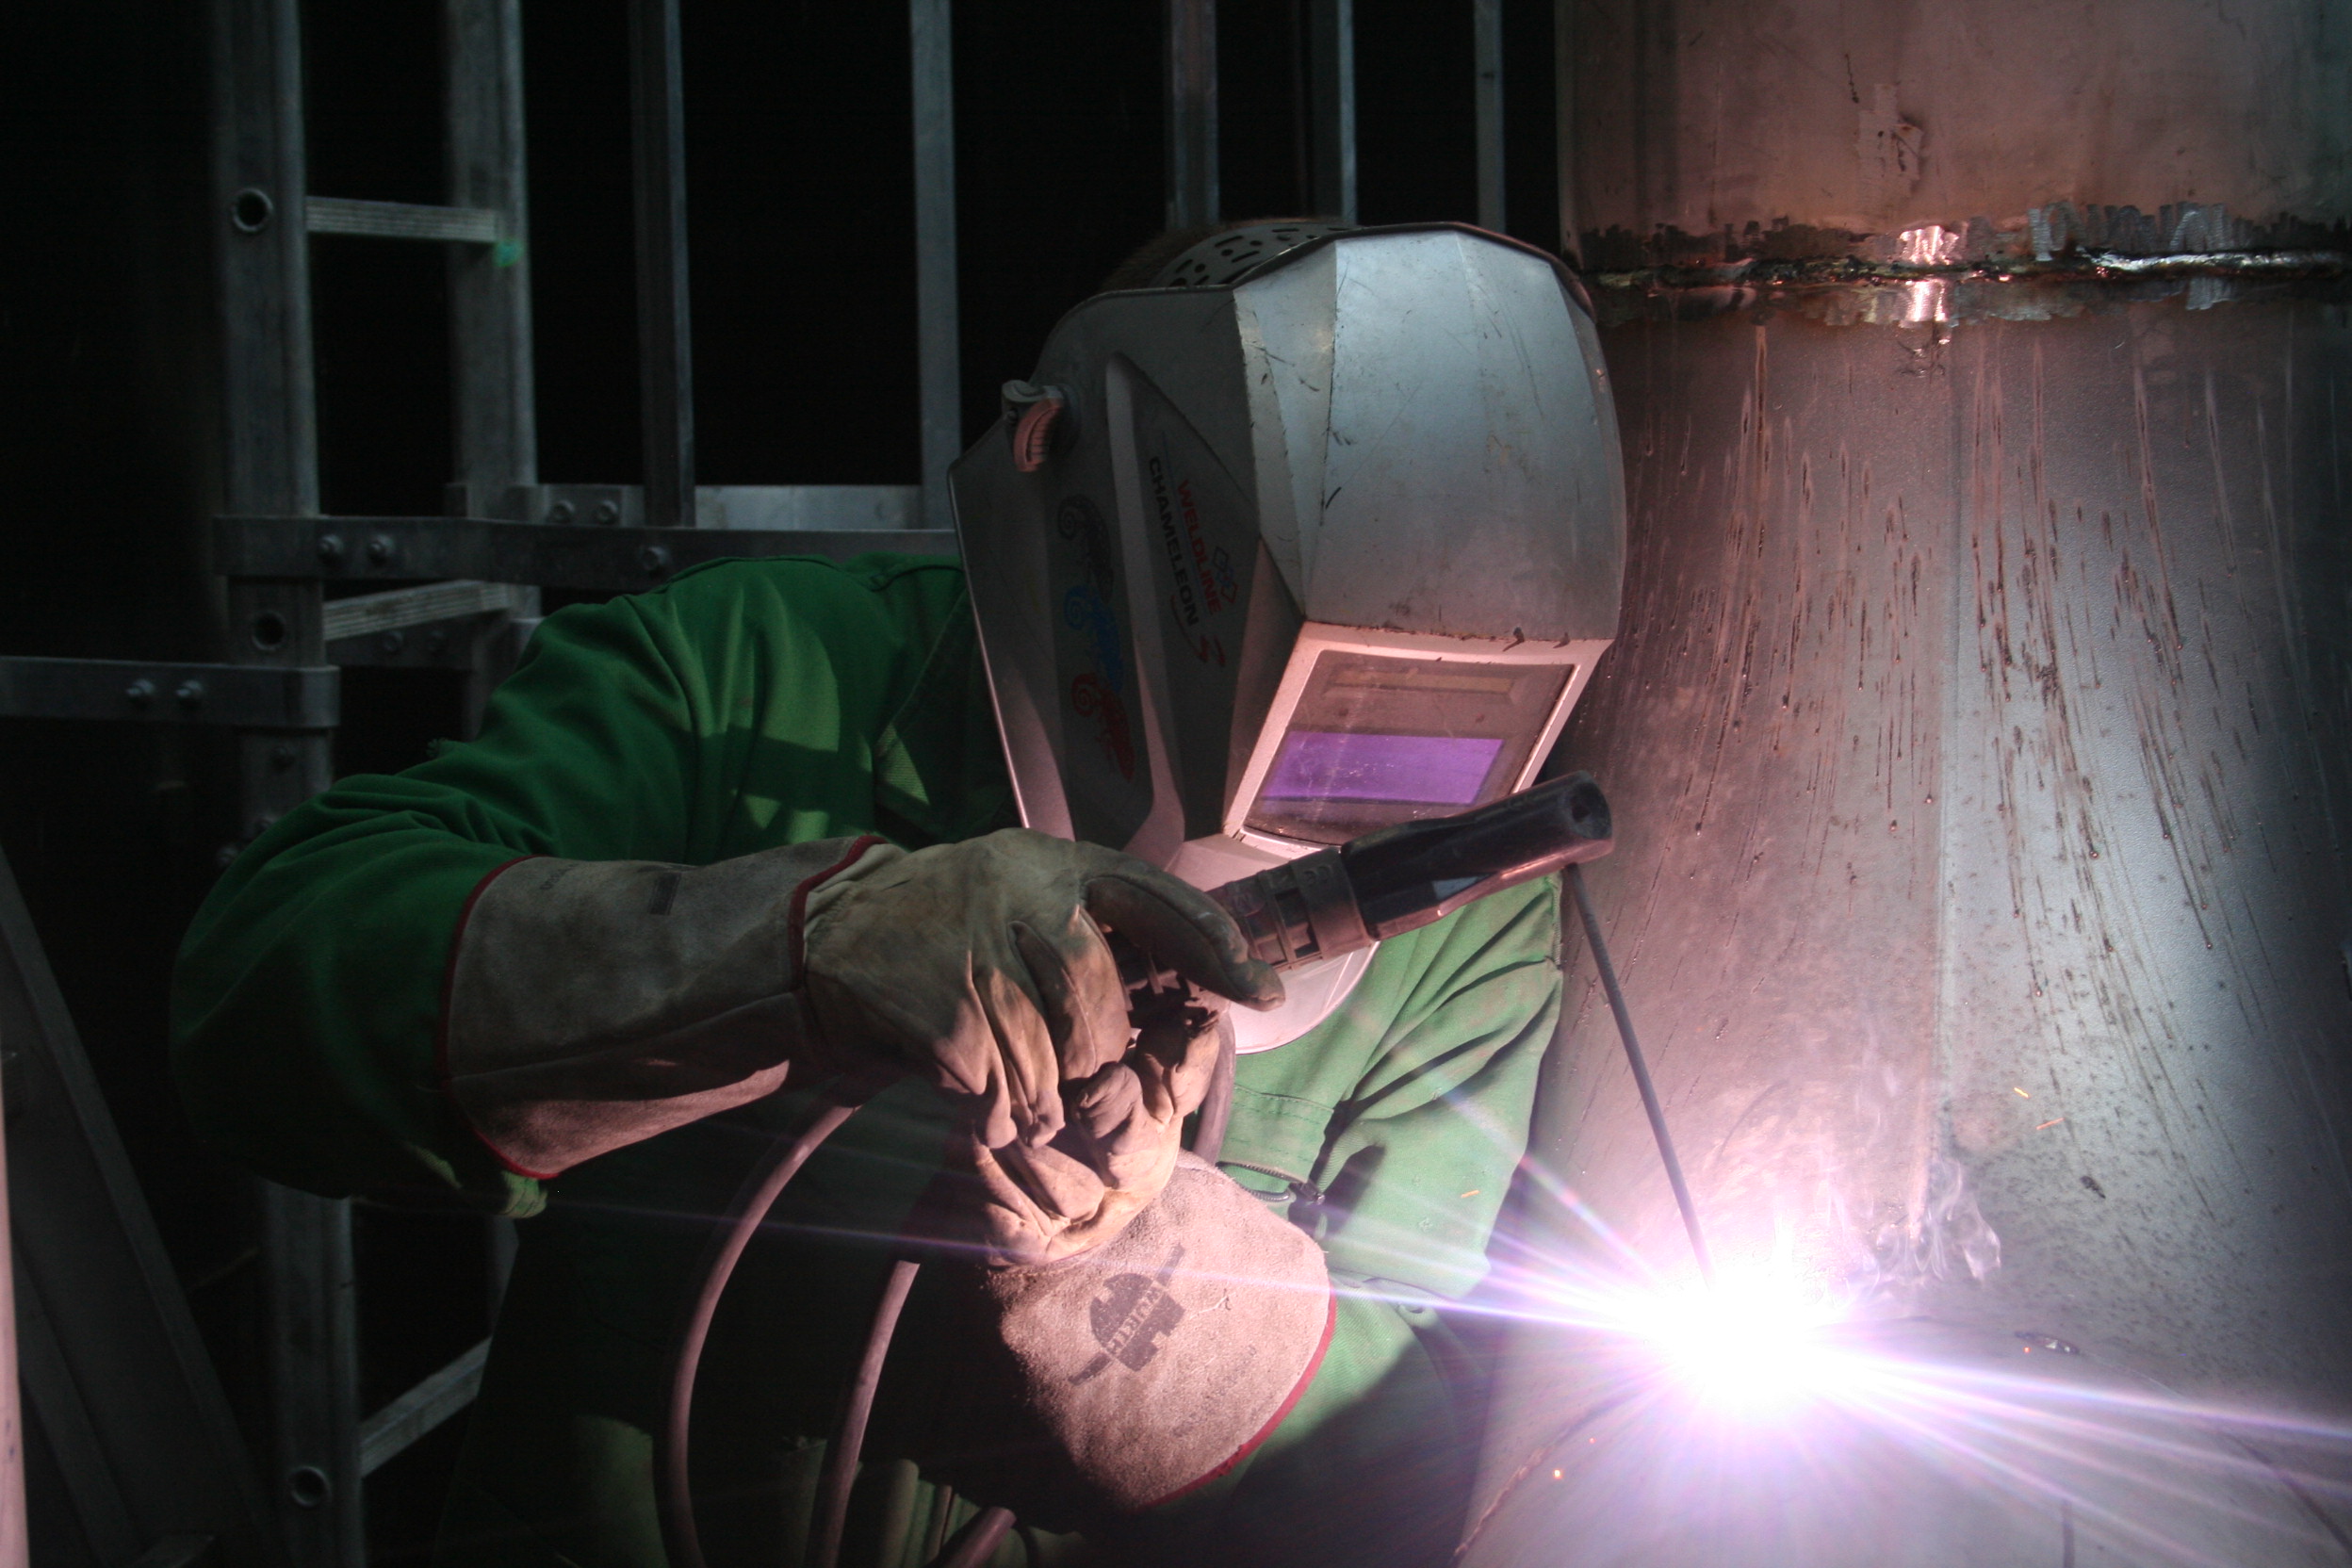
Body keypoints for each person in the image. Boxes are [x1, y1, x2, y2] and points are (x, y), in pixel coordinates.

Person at [172, 220, 1624, 1567]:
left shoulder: (1467, 921)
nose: (1327, 801)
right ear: (1088, 513)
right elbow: (259, 1003)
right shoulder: (750, 675)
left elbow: (1403, 1483)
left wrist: (1144, 1271)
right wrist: (786, 950)